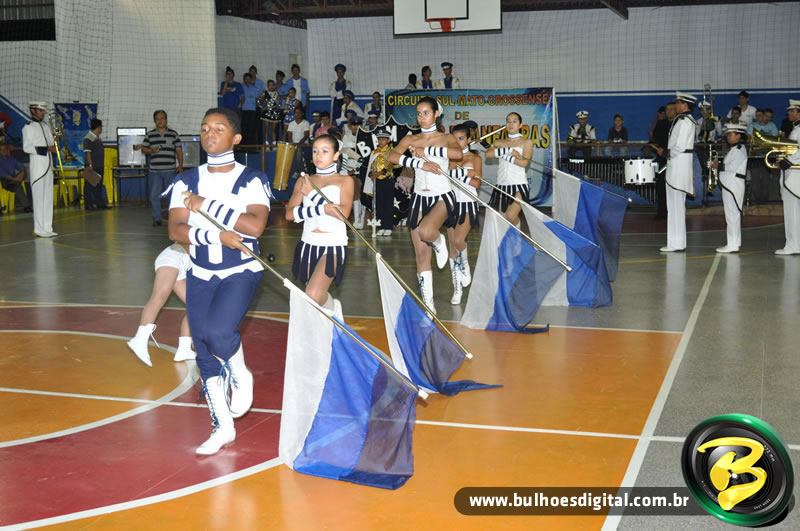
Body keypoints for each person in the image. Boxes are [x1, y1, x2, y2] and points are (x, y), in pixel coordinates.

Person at [168, 107, 272, 455]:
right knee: (203, 350)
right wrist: (216, 236)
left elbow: (254, 226)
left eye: (218, 128)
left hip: (240, 270)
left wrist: (204, 205)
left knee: (218, 333)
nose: (209, 134)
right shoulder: (185, 181)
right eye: (204, 128)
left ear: (236, 138)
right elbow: (176, 229)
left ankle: (240, 372)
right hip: (200, 271)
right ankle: (222, 426)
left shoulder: (251, 179)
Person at [386, 96, 462, 313]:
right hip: (419, 197)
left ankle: (439, 242)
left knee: (427, 231)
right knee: (421, 255)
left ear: (436, 114)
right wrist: (418, 163)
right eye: (419, 113)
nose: (421, 117)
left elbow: (457, 154)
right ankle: (429, 306)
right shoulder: (412, 138)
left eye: (426, 113)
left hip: (442, 196)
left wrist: (427, 153)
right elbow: (391, 156)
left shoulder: (446, 137)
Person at [286, 134, 353, 315]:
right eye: (315, 151)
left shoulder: (345, 181)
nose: (318, 155)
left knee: (313, 294)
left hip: (333, 246)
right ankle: (327, 319)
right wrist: (322, 208)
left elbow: (343, 214)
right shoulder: (304, 181)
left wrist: (312, 195)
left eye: (324, 151)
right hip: (308, 243)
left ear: (336, 155)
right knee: (313, 298)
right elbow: (289, 214)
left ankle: (334, 311)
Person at [127, 243, 195, 366]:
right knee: (159, 296)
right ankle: (139, 339)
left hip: (183, 265)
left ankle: (184, 349)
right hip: (172, 257)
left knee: (196, 306)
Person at [447, 123, 481, 304]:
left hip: (468, 203)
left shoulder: (474, 157)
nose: (457, 142)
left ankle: (465, 266)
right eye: (454, 139)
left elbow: (477, 184)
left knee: (459, 240)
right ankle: (457, 289)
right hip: (451, 204)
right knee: (452, 249)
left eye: (461, 138)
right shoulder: (447, 158)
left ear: (468, 139)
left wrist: (461, 174)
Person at [661, 92, 697, 253]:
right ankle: (677, 242)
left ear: (685, 105)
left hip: (678, 165)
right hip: (678, 164)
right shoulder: (685, 120)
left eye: (678, 102)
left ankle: (676, 243)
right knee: (675, 206)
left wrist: (667, 153)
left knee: (675, 206)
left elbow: (679, 146)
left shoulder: (684, 121)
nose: (675, 105)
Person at [136, 110, 183, 227]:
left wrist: (181, 165)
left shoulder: (174, 134)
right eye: (157, 119)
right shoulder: (149, 135)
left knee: (172, 195)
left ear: (166, 120)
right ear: (154, 121)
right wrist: (151, 150)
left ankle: (173, 218)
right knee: (154, 196)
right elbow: (143, 149)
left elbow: (179, 151)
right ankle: (157, 219)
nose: (160, 121)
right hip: (155, 171)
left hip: (170, 170)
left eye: (162, 118)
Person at [486, 112, 532, 226]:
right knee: (503, 219)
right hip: (502, 184)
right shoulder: (499, 142)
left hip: (519, 185)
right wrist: (509, 150)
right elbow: (488, 154)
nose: (511, 124)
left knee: (511, 216)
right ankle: (513, 235)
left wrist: (506, 156)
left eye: (514, 121)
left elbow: (524, 163)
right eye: (508, 121)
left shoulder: (526, 142)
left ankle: (517, 230)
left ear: (520, 125)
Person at [711, 123, 749, 253]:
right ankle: (734, 243)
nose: (728, 137)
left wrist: (717, 165)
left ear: (738, 136)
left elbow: (731, 167)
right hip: (731, 184)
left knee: (732, 215)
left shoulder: (738, 149)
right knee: (732, 215)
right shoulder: (736, 149)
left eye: (730, 134)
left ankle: (732, 244)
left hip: (733, 185)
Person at [22, 101, 57, 237]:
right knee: (38, 199)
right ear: (33, 110)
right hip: (38, 167)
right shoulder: (28, 127)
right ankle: (39, 229)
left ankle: (48, 227)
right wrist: (47, 149)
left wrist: (55, 141)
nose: (43, 113)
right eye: (41, 110)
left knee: (48, 198)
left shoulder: (46, 126)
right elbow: (27, 147)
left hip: (49, 166)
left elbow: (51, 143)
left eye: (43, 110)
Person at [775, 99, 800, 255]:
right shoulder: (795, 129)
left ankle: (793, 246)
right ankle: (794, 244)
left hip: (794, 175)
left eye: (792, 111)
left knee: (792, 212)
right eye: (789, 111)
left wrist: (788, 160)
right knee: (793, 212)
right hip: (792, 174)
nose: (789, 113)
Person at [366, 127, 396, 236]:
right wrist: (371, 174)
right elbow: (370, 167)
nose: (381, 141)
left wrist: (380, 173)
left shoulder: (391, 151)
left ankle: (388, 226)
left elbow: (391, 165)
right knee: (378, 204)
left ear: (388, 140)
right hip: (377, 181)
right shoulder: (374, 152)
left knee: (388, 203)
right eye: (379, 139)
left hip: (387, 180)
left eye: (383, 139)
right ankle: (381, 226)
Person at [650, 103, 674, 220]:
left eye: (671, 109)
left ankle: (673, 212)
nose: (668, 111)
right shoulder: (660, 123)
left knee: (673, 187)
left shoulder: (678, 123)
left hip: (674, 160)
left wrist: (666, 150)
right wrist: (658, 147)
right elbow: (655, 138)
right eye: (667, 110)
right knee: (660, 186)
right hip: (661, 159)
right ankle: (662, 212)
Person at [82, 118, 110, 210]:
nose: (101, 129)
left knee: (98, 186)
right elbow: (88, 152)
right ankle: (88, 204)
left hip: (99, 165)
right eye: (101, 127)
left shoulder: (97, 138)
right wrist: (90, 165)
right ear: (98, 127)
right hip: (92, 166)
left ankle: (99, 203)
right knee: (89, 185)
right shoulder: (89, 137)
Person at [0, 143, 32, 213]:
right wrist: (15, 179)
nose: (3, 151)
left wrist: (22, 174)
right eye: (1, 150)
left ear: (8, 150)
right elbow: (2, 174)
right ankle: (27, 206)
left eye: (5, 149)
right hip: (4, 181)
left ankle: (27, 204)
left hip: (13, 179)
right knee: (17, 185)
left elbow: (21, 167)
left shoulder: (11, 159)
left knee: (24, 176)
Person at [258, 79, 282, 147]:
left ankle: (274, 144)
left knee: (273, 129)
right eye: (269, 85)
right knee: (266, 128)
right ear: (267, 86)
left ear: (274, 86)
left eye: (272, 85)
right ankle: (266, 143)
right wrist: (263, 107)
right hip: (267, 112)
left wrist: (278, 106)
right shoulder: (264, 93)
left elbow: (279, 103)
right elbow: (258, 101)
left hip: (275, 112)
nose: (271, 86)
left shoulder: (276, 93)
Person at [240, 72, 261, 145]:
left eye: (249, 79)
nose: (247, 80)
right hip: (244, 110)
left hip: (252, 110)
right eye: (246, 79)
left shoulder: (255, 88)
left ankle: (251, 145)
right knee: (244, 127)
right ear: (244, 79)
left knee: (251, 128)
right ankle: (243, 144)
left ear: (251, 80)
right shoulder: (241, 87)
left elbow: (258, 99)